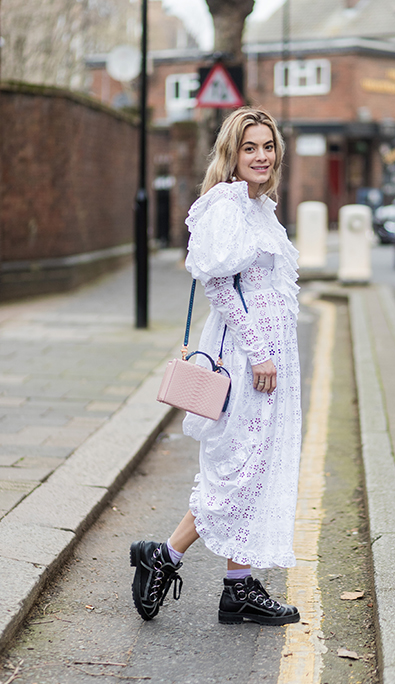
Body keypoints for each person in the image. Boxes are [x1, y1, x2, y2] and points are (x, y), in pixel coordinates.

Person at [130, 107, 301, 626]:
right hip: (246, 357)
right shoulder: (225, 205)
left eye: (267, 147)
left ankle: (237, 586)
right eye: (250, 148)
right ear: (232, 153)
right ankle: (164, 556)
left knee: (254, 466)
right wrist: (260, 351)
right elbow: (221, 287)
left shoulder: (259, 206)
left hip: (269, 355)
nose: (261, 156)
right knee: (237, 468)